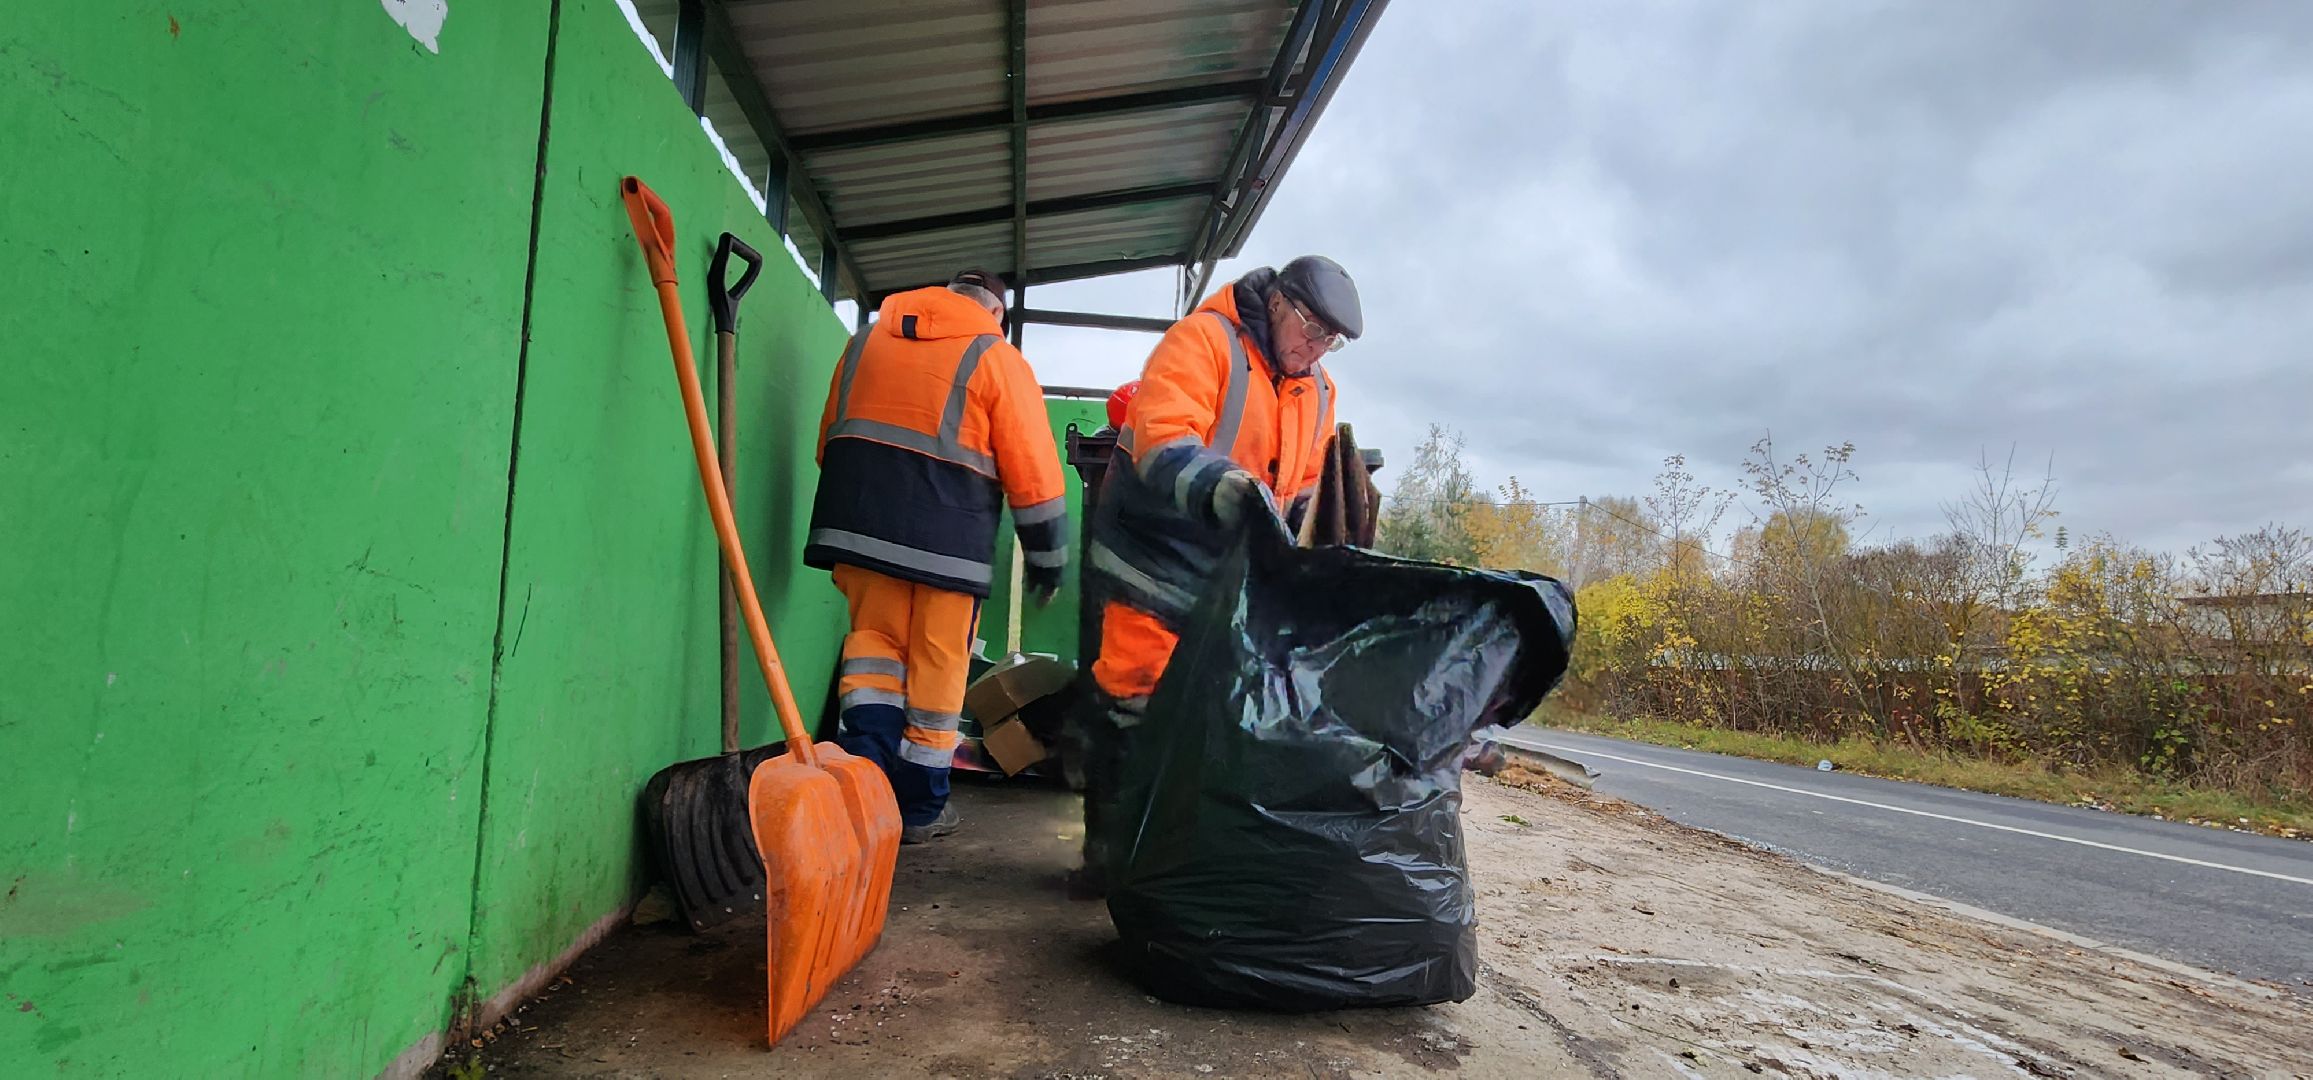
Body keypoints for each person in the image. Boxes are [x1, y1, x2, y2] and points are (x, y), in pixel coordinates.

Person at [1071, 256, 1363, 893]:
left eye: (1328, 340)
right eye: (1309, 327)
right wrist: (1230, 490)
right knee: (1131, 700)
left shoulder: (1319, 390)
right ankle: (1110, 862)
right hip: (1147, 564)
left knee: (1212, 716)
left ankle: (1171, 865)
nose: (1313, 348)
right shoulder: (1202, 341)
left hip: (1223, 580)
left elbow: (1305, 491)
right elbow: (1162, 440)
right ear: (1280, 302)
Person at [806, 269, 1069, 843]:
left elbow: (829, 437)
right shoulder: (994, 357)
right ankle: (921, 810)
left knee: (873, 656)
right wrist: (1048, 555)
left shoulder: (864, 342)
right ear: (995, 313)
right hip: (947, 546)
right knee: (937, 669)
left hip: (858, 529)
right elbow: (1034, 471)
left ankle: (865, 786)